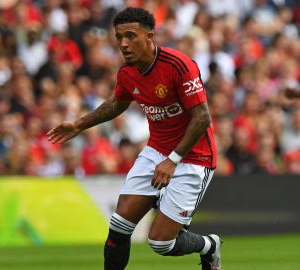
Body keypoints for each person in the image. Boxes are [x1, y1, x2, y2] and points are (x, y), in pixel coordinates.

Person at [47, 7, 221, 270]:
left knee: (162, 244)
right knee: (119, 225)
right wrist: (79, 124)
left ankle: (209, 246)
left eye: (131, 36)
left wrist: (173, 160)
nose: (124, 44)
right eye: (119, 37)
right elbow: (118, 103)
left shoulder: (179, 65)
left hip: (194, 157)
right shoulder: (127, 72)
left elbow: (202, 118)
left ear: (149, 36)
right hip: (156, 151)